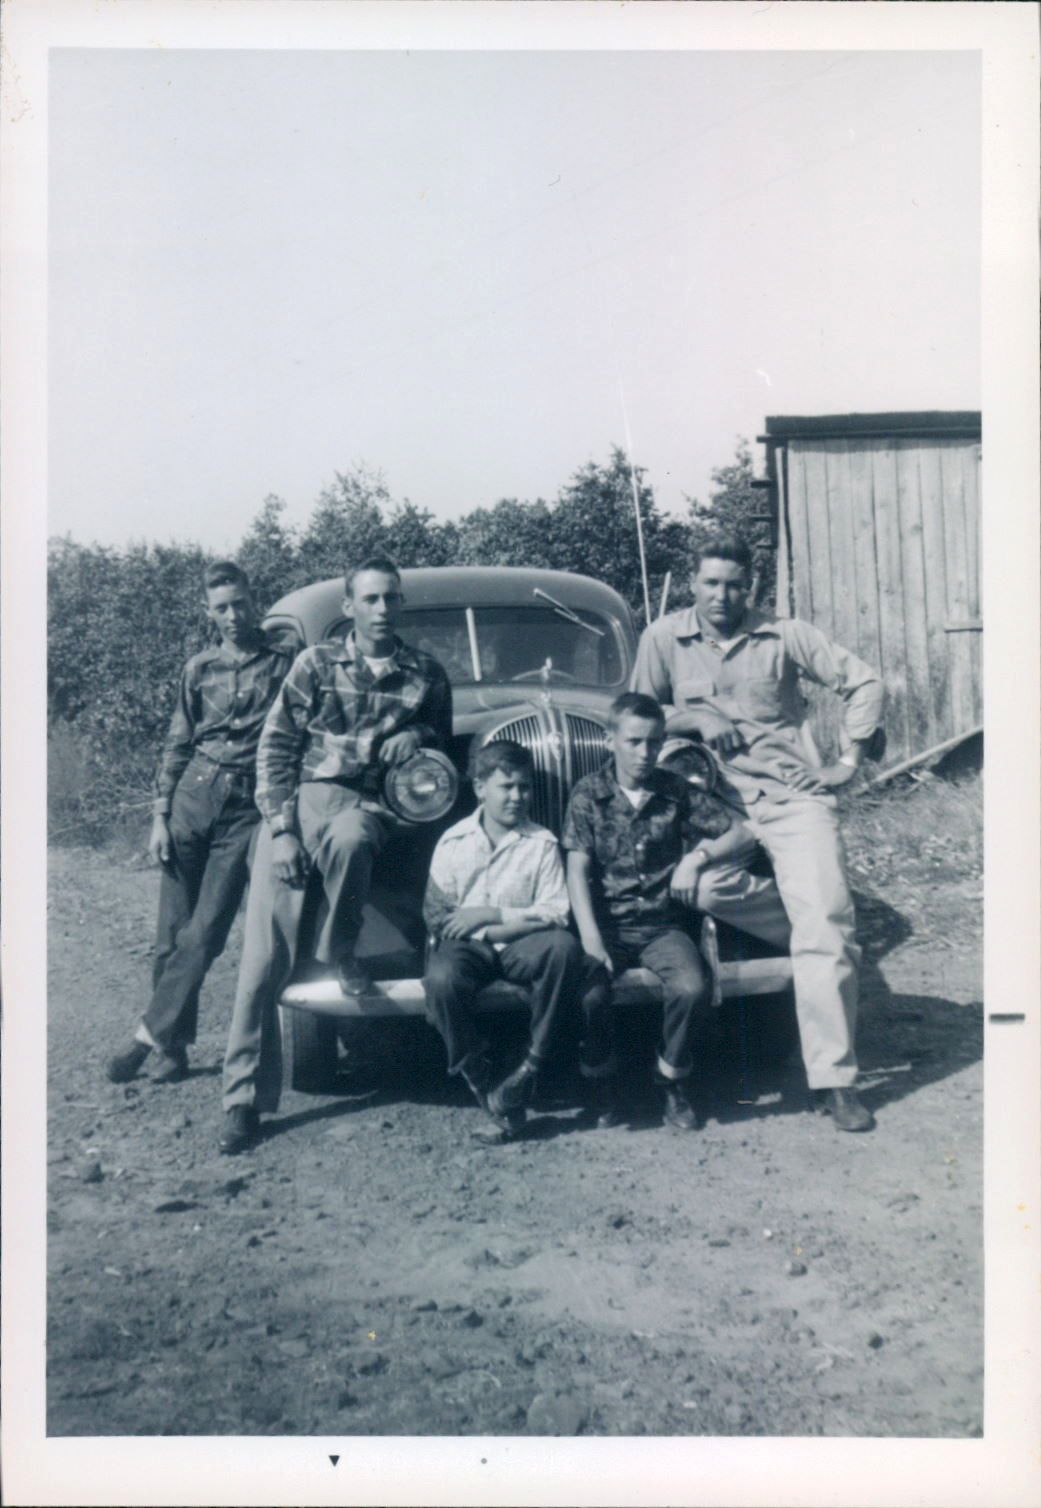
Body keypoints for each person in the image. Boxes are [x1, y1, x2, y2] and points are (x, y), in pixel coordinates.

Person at [630, 532, 885, 1132]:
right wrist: (694, 716)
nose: (722, 596)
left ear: (752, 587)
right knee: (705, 889)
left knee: (824, 922)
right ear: (692, 583)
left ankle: (833, 1080)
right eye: (711, 583)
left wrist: (846, 762)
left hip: (793, 800)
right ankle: (822, 939)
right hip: (717, 807)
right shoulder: (662, 638)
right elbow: (636, 715)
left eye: (735, 585)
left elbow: (866, 683)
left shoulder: (784, 635)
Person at [219, 556, 452, 1154]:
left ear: (401, 604)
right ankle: (241, 1099)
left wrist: (419, 734)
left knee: (353, 837)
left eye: (391, 598)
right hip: (302, 804)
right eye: (370, 599)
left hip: (369, 807)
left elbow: (443, 751)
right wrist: (282, 832)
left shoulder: (425, 673)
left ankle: (337, 949)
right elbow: (275, 750)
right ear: (349, 607)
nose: (382, 609)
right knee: (262, 960)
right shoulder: (316, 664)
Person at [106, 561, 293, 1085]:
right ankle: (173, 1049)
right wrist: (160, 816)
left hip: (246, 808)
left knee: (206, 931)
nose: (233, 616)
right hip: (193, 797)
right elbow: (178, 742)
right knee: (171, 934)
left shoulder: (284, 663)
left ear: (254, 598)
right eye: (221, 608)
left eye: (240, 603)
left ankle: (146, 1036)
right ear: (207, 611)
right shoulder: (198, 668)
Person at [564, 692, 759, 1131]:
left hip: (660, 926)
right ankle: (601, 1079)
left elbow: (741, 833)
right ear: (610, 740)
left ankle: (670, 1079)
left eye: (654, 742)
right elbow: (576, 871)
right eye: (633, 741)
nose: (644, 752)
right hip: (608, 925)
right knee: (589, 994)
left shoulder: (674, 790)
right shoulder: (588, 794)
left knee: (692, 987)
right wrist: (591, 940)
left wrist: (697, 859)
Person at [423, 740, 593, 1141]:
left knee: (563, 948)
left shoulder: (542, 843)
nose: (518, 797)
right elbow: (437, 915)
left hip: (523, 946)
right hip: (469, 949)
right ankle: (480, 1076)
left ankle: (530, 1065)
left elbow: (554, 912)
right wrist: (488, 930)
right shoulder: (453, 841)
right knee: (441, 978)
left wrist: (488, 915)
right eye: (507, 786)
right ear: (480, 788)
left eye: (525, 787)